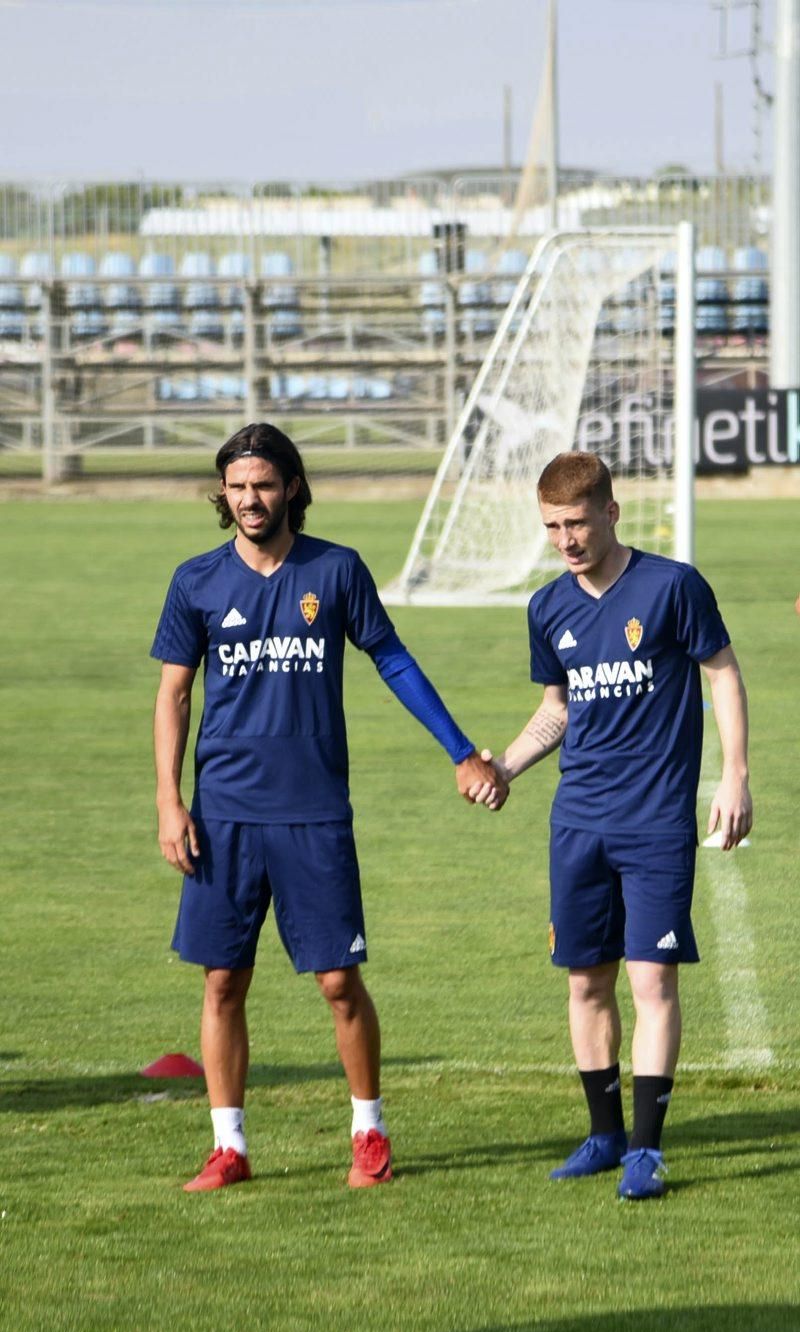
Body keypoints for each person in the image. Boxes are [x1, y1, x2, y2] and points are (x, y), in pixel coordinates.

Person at [152, 421, 507, 1192]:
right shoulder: (196, 582)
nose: (251, 499)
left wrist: (461, 749)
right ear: (224, 494)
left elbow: (394, 659)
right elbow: (174, 693)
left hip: (313, 813)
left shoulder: (337, 571)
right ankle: (229, 1146)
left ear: (293, 490)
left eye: (265, 485)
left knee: (339, 982)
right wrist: (169, 801)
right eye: (239, 487)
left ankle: (369, 1132)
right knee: (222, 981)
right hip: (224, 815)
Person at [473, 451, 752, 1200]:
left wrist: (734, 774)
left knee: (651, 979)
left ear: (611, 512)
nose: (565, 539)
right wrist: (508, 769)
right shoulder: (548, 608)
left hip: (656, 822)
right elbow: (558, 709)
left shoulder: (672, 587)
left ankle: (646, 1150)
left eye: (577, 522)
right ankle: (601, 1134)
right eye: (552, 526)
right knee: (586, 981)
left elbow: (721, 670)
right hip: (578, 824)